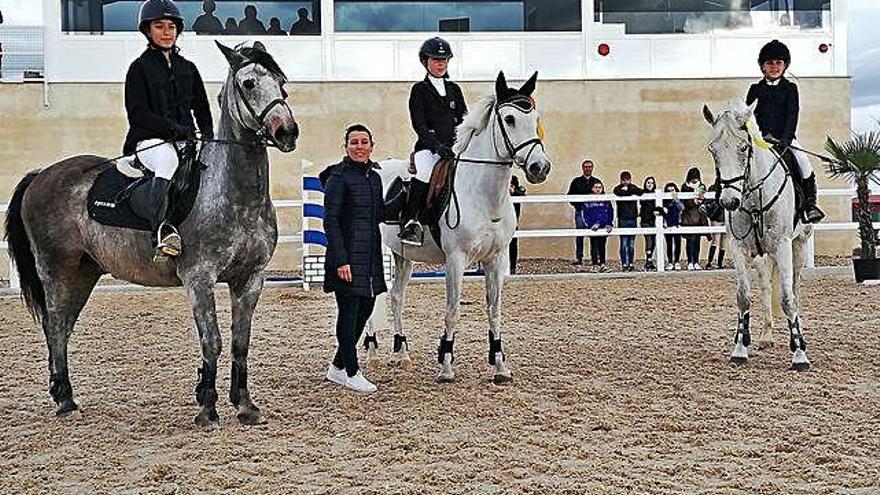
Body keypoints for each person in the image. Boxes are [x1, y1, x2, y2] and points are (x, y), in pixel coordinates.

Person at [124, 0, 214, 261]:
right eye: (159, 26)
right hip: (149, 142)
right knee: (168, 160)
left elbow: (202, 108)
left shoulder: (189, 68)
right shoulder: (138, 69)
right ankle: (161, 231)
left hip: (186, 139)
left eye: (171, 27)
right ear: (148, 31)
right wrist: (173, 128)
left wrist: (208, 136)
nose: (166, 32)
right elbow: (138, 113)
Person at [323, 124, 407, 394]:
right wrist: (340, 261)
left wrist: (404, 195)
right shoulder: (338, 177)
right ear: (346, 146)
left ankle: (336, 367)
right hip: (346, 256)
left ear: (372, 146)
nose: (359, 147)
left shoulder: (374, 177)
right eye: (354, 142)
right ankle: (351, 371)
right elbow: (331, 220)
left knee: (366, 309)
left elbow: (378, 214)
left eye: (364, 142)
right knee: (348, 313)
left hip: (370, 255)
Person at [746, 39, 824, 223]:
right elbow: (747, 116)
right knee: (735, 159)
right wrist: (754, 136)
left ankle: (809, 205)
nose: (774, 67)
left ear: (785, 65)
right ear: (762, 66)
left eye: (778, 63)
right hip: (759, 139)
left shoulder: (790, 89)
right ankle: (718, 204)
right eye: (770, 63)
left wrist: (786, 140)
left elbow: (792, 115)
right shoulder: (755, 89)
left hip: (784, 139)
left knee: (804, 162)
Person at [399, 36, 467, 246]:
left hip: (455, 148)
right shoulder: (419, 89)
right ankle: (410, 221)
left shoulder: (454, 89)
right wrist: (437, 146)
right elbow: (418, 125)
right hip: (429, 148)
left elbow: (464, 119)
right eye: (436, 60)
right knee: (426, 171)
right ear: (425, 62)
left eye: (444, 60)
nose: (441, 64)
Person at [567, 159, 601, 265]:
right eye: (586, 167)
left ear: (592, 168)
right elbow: (570, 196)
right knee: (580, 234)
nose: (588, 169)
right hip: (581, 212)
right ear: (582, 168)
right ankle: (579, 257)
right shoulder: (576, 181)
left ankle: (595, 258)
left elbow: (601, 195)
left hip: (593, 212)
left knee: (594, 235)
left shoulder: (596, 181)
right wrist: (578, 206)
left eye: (589, 167)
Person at [613, 170, 642, 272]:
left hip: (632, 218)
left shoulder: (633, 187)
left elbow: (640, 192)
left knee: (631, 244)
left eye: (627, 180)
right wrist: (628, 192)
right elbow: (617, 192)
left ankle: (630, 262)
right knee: (624, 243)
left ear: (630, 180)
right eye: (623, 180)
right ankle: (624, 263)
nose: (625, 182)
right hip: (623, 219)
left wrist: (629, 190)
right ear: (620, 180)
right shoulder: (617, 188)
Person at [582, 180, 614, 273]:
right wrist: (591, 225)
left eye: (600, 187)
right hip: (593, 227)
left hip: (604, 226)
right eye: (596, 187)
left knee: (602, 245)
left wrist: (609, 224)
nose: (598, 189)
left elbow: (610, 213)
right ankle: (595, 264)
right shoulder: (588, 200)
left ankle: (602, 264)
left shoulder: (606, 200)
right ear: (592, 188)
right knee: (594, 245)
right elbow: (585, 215)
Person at [681, 166, 708, 270]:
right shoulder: (685, 186)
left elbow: (703, 197)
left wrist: (699, 201)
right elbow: (685, 202)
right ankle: (690, 261)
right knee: (689, 240)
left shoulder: (702, 186)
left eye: (696, 177)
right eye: (693, 177)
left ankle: (696, 261)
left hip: (699, 216)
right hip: (688, 216)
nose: (695, 179)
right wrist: (694, 202)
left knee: (697, 240)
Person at [660, 182, 684, 271]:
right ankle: (670, 262)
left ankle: (677, 261)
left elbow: (682, 208)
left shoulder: (678, 199)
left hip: (677, 223)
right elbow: (662, 212)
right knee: (669, 243)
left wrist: (676, 199)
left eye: (672, 190)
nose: (671, 192)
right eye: (669, 190)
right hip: (668, 224)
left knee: (677, 243)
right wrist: (664, 221)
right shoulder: (664, 201)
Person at [704, 180, 726, 269]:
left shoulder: (728, 188)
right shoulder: (713, 188)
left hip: (725, 217)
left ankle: (720, 263)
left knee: (723, 242)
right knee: (715, 240)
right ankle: (710, 262)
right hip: (716, 217)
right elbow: (708, 201)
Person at [639, 176, 658, 271]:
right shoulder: (642, 194)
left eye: (652, 183)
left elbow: (659, 207)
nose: (650, 185)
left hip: (654, 221)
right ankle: (648, 260)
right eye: (648, 183)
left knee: (654, 241)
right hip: (645, 220)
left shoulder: (657, 195)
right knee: (648, 240)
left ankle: (649, 260)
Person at [508, 175, 526, 274]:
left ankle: (512, 267)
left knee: (513, 244)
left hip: (513, 220)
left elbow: (522, 194)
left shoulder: (515, 182)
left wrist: (513, 191)